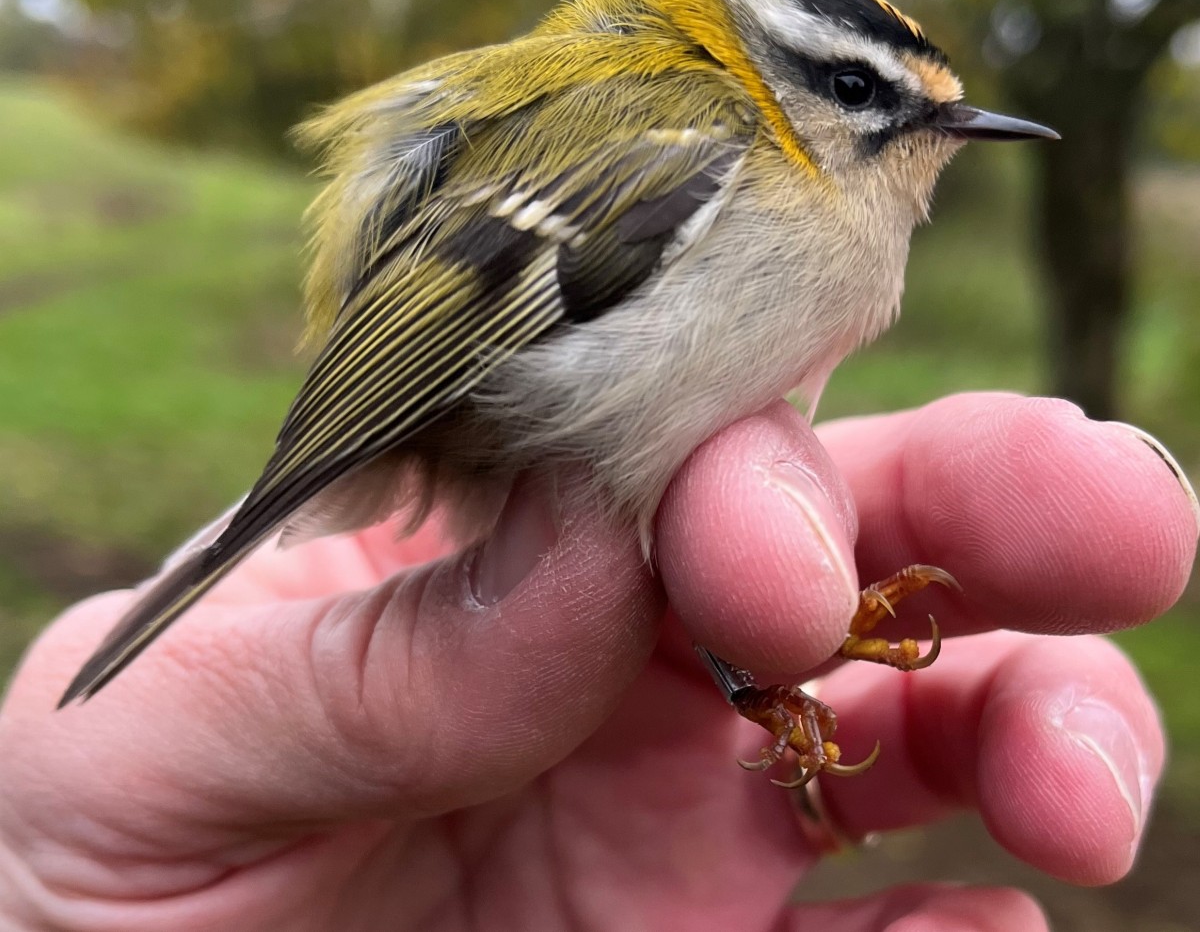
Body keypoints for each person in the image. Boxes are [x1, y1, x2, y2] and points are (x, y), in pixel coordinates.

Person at [0, 393, 1195, 931]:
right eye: (861, 91)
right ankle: (767, 661)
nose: (933, 130)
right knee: (712, 541)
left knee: (731, 540)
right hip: (508, 436)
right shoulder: (719, 155)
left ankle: (766, 667)